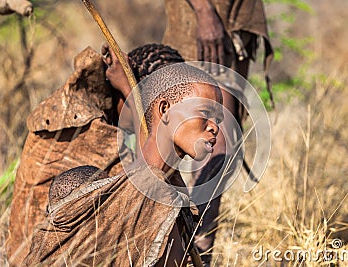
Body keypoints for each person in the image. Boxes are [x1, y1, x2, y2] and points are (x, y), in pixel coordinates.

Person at [22, 62, 224, 266]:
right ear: (164, 110)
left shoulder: (167, 192)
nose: (214, 127)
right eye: (205, 113)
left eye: (218, 119)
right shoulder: (152, 197)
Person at [6, 43, 185, 266]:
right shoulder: (79, 123)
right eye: (154, 111)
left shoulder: (113, 122)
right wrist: (133, 96)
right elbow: (144, 185)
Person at [163, 0, 274, 264]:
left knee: (220, 149)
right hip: (202, 31)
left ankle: (194, 252)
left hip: (230, 34)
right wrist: (203, 10)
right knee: (216, 146)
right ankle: (190, 248)